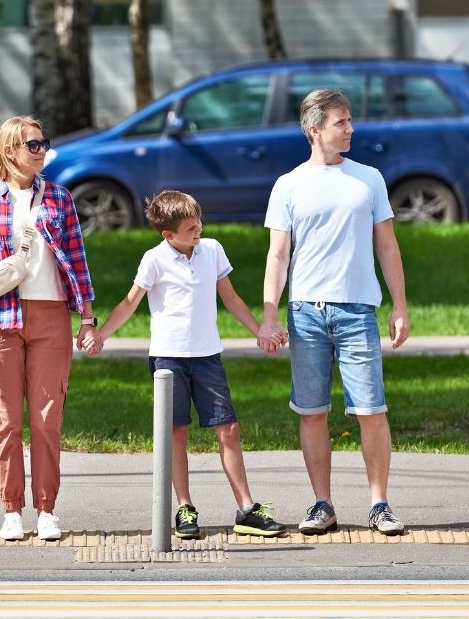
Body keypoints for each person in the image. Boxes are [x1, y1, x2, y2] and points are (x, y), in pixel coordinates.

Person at [85, 190, 287, 540]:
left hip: (207, 356)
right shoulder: (154, 259)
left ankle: (246, 508)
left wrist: (260, 331)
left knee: (229, 429)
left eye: (200, 223)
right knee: (177, 433)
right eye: (191, 227)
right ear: (169, 234)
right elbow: (129, 303)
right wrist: (100, 334)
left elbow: (231, 297)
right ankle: (185, 508)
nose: (199, 230)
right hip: (169, 358)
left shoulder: (212, 251)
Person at [257, 88, 411, 536]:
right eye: (341, 122)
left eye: (349, 121)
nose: (350, 129)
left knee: (371, 410)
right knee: (312, 411)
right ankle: (322, 504)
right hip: (305, 313)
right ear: (314, 129)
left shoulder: (369, 179)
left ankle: (379, 504)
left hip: (357, 310)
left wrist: (399, 305)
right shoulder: (288, 184)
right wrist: (270, 314)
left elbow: (387, 245)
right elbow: (278, 256)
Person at [0, 115, 98, 542]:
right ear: (10, 152)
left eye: (43, 144)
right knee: (5, 422)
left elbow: (78, 261)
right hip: (0, 319)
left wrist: (88, 317)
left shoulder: (60, 198)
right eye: (33, 145)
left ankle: (46, 509)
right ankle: (11, 510)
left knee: (46, 419)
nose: (42, 151)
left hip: (52, 317)